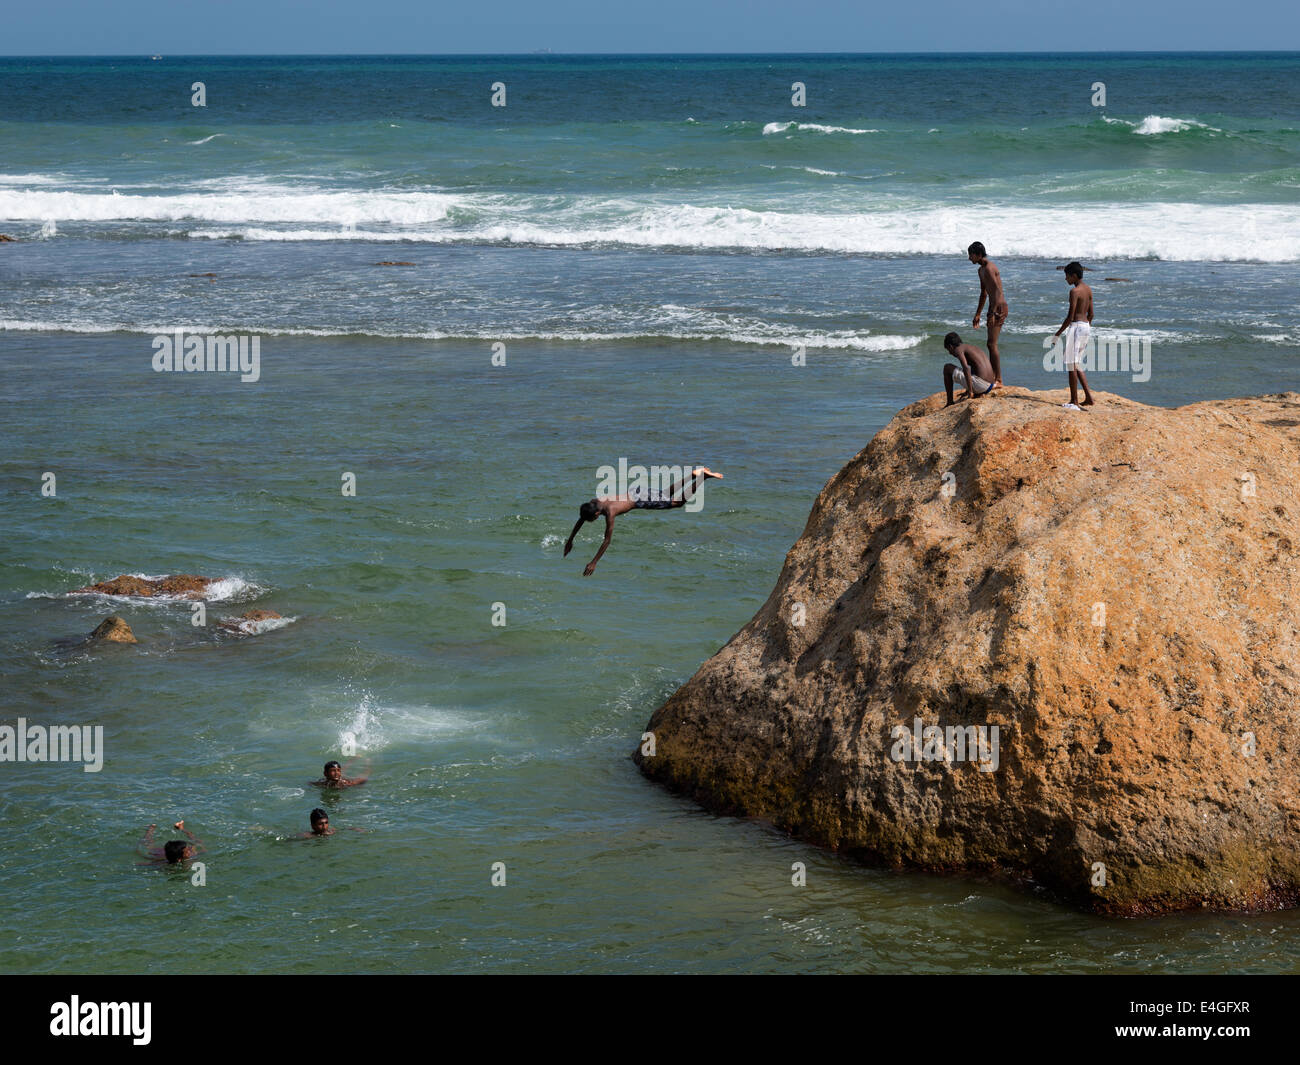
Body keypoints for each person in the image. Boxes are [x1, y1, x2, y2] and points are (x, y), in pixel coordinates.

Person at [564, 466, 723, 576]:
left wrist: (594, 562)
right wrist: (570, 540)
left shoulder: (610, 512)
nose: (591, 521)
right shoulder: (594, 502)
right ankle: (694, 475)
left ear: (598, 513)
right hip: (636, 490)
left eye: (593, 519)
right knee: (665, 494)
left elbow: (607, 540)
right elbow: (581, 518)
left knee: (678, 503)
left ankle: (703, 477)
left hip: (640, 499)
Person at [1054, 261, 1095, 409]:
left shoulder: (1074, 292)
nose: (1066, 279)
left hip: (1076, 327)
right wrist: (1086, 327)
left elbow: (1070, 317)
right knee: (1076, 363)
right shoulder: (1088, 290)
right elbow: (1091, 314)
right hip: (1086, 327)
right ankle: (1089, 398)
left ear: (1074, 275)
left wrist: (1057, 334)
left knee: (1071, 365)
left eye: (1067, 276)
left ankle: (1074, 401)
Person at [967, 241, 1008, 386]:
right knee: (990, 344)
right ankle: (993, 377)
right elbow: (984, 293)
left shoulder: (990, 268)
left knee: (992, 344)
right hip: (993, 307)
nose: (969, 258)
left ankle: (998, 379)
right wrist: (978, 314)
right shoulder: (980, 270)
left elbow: (997, 291)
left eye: (971, 255)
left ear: (978, 255)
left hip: (999, 307)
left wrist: (993, 313)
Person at [941, 332, 997, 406]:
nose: (950, 353)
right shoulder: (971, 347)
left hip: (981, 386)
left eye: (948, 350)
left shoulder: (958, 350)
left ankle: (950, 402)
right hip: (990, 385)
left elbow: (966, 369)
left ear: (951, 346)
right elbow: (976, 368)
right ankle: (971, 389)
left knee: (947, 368)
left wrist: (970, 392)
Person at [138, 820, 204, 864]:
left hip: (170, 853)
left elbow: (201, 848)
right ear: (179, 858)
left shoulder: (190, 854)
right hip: (160, 853)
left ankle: (181, 828)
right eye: (187, 851)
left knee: (197, 842)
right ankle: (150, 829)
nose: (190, 851)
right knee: (148, 845)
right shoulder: (162, 861)